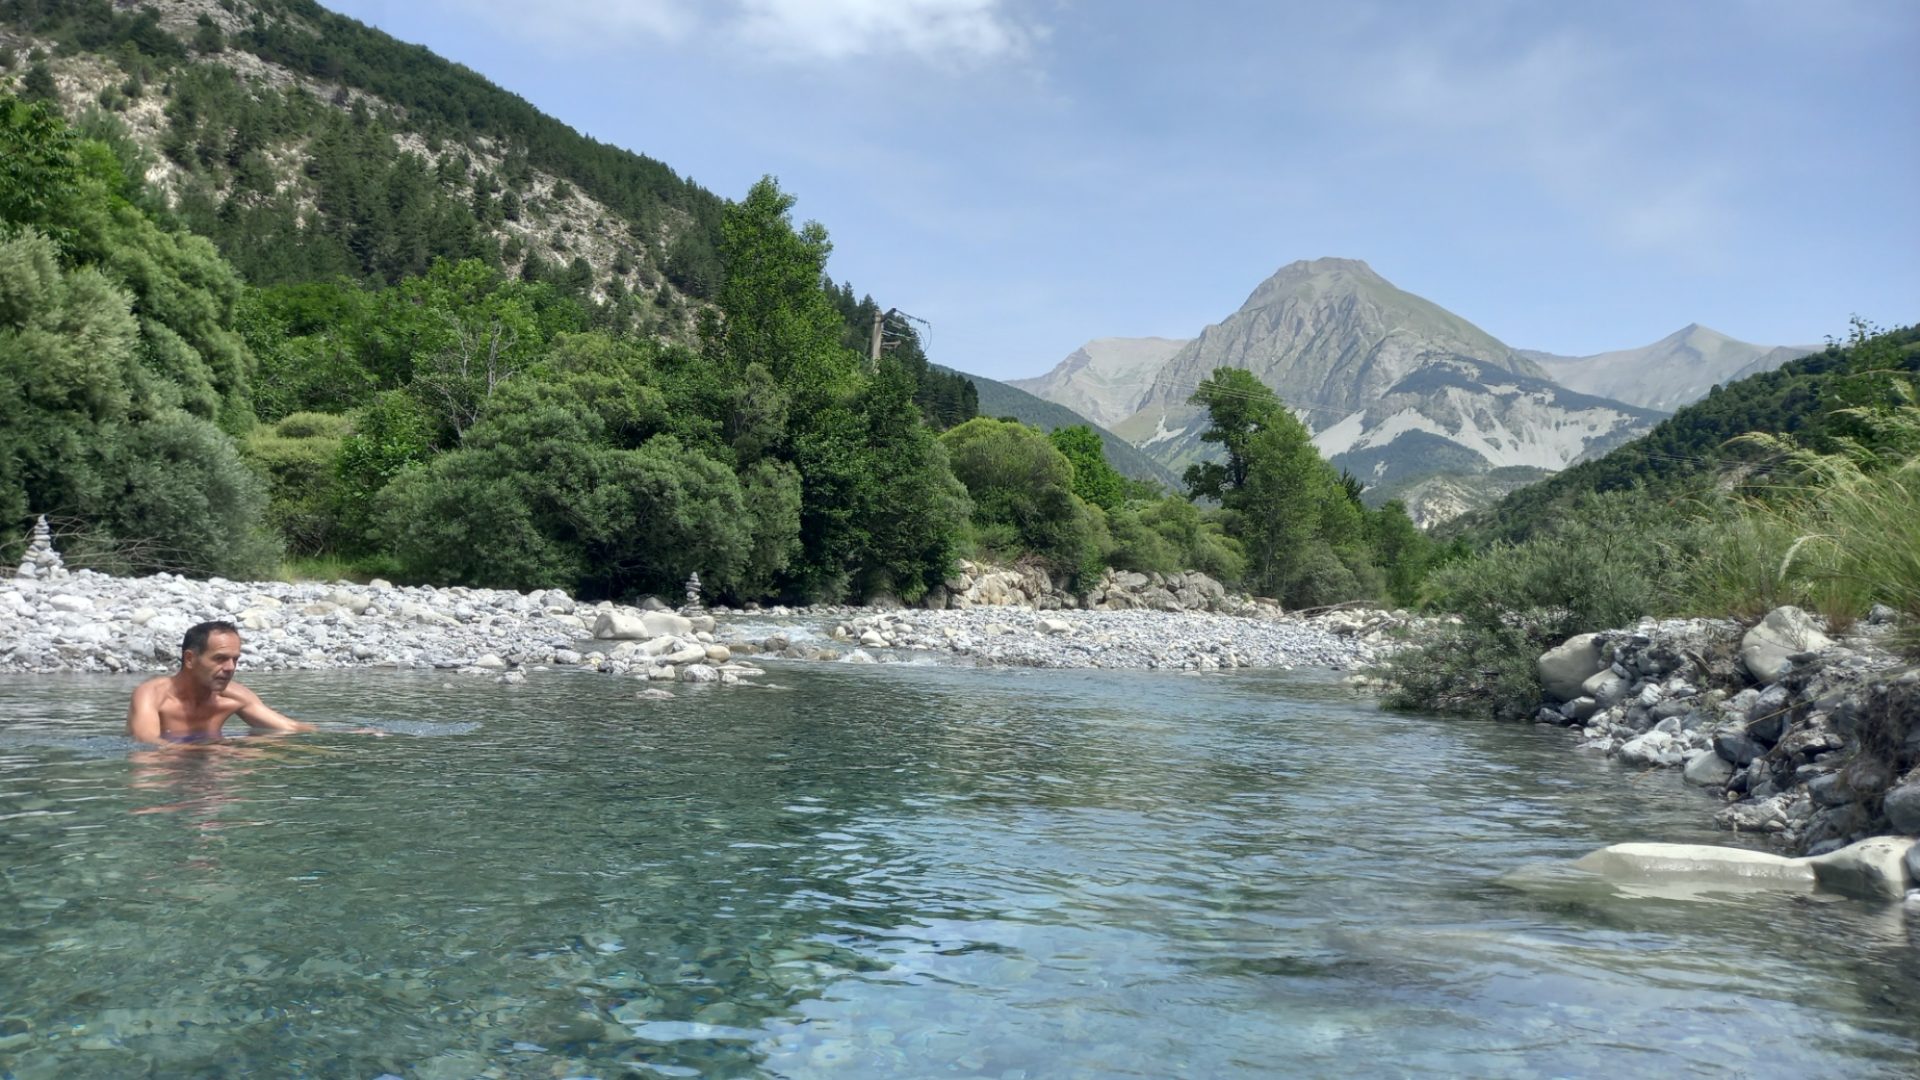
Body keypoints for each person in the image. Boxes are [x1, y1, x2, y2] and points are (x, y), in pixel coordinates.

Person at [126, 620, 315, 745]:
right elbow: (146, 742)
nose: (230, 667)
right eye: (220, 659)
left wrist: (338, 742)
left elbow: (291, 729)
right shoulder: (152, 695)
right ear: (190, 659)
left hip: (212, 766)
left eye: (235, 659)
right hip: (166, 772)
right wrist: (219, 749)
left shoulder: (235, 697)